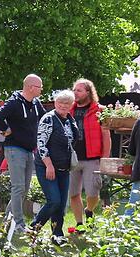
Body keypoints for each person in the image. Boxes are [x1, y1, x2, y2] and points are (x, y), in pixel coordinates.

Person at [0, 74, 46, 232]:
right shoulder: (14, 102)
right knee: (18, 187)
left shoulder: (36, 103)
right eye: (39, 87)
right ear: (30, 87)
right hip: (14, 149)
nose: (41, 90)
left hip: (29, 150)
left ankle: (8, 221)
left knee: (24, 189)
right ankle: (19, 225)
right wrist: (7, 130)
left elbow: (45, 118)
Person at [30, 90, 78, 241]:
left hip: (64, 168)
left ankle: (57, 235)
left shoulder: (70, 120)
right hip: (47, 166)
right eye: (60, 103)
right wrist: (49, 165)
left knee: (61, 205)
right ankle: (33, 229)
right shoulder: (48, 119)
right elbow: (41, 144)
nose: (63, 106)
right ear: (55, 103)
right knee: (54, 201)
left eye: (67, 103)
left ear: (71, 105)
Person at [69, 79, 111, 228]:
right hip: (72, 159)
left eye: (79, 90)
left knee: (93, 194)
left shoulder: (100, 110)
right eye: (74, 90)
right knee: (73, 194)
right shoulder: (69, 110)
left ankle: (89, 210)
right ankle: (79, 224)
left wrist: (104, 159)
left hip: (92, 159)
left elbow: (106, 136)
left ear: (88, 92)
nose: (75, 93)